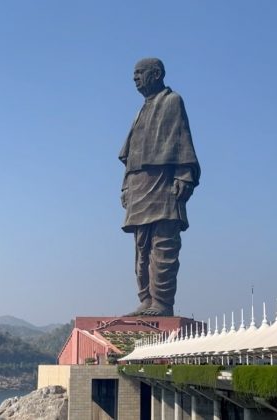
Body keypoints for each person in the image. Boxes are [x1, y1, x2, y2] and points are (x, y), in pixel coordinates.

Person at [119, 58, 200, 316]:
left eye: (140, 73)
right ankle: (146, 298)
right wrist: (125, 188)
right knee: (141, 248)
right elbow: (130, 155)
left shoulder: (172, 101)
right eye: (134, 74)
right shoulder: (141, 109)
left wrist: (184, 175)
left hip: (163, 184)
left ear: (156, 74)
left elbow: (181, 139)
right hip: (139, 185)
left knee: (164, 244)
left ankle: (162, 302)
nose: (135, 78)